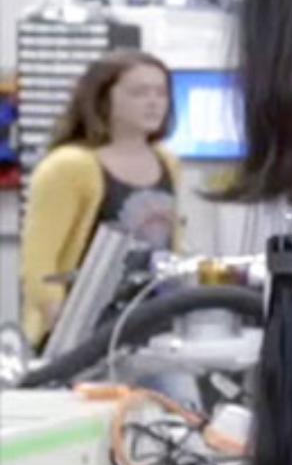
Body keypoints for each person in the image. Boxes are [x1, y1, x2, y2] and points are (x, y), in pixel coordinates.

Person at [20, 51, 184, 350]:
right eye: (138, 92)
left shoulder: (166, 161)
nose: (153, 102)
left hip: (151, 325)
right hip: (82, 331)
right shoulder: (70, 166)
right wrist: (65, 333)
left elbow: (172, 245)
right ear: (103, 99)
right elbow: (40, 266)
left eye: (161, 92)